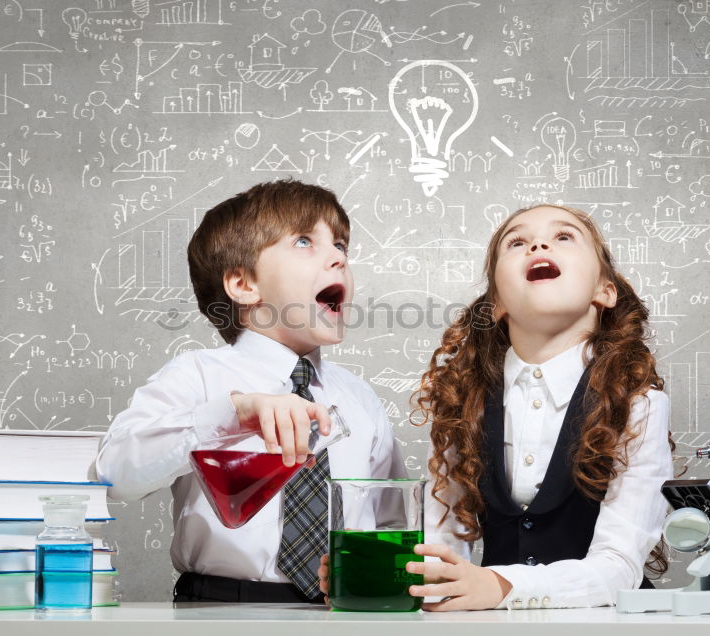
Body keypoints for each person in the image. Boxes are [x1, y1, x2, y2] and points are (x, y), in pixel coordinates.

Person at [320, 203, 674, 610]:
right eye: (517, 242)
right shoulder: (463, 401)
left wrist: (504, 586)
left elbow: (619, 568)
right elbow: (441, 543)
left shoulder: (639, 405)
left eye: (564, 237)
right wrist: (384, 575)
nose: (538, 243)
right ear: (497, 303)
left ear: (604, 291)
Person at [95, 179, 405, 604]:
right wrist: (230, 415)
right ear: (243, 285)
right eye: (303, 241)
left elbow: (391, 516)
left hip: (344, 609)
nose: (338, 258)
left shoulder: (360, 398)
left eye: (341, 246)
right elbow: (114, 475)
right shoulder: (198, 376)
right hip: (219, 611)